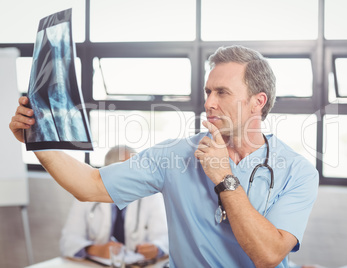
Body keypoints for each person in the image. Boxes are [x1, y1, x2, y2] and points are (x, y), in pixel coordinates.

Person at [10, 45, 319, 267]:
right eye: (207, 91)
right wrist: (37, 140)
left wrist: (224, 177)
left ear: (257, 102)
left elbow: (268, 255)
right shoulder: (177, 154)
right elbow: (88, 184)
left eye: (222, 92)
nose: (209, 102)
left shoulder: (297, 171)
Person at [59, 145, 169, 261]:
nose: (136, 178)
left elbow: (164, 238)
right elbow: (68, 240)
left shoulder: (151, 196)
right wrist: (95, 249)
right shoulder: (86, 195)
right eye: (129, 173)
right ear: (109, 173)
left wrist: (156, 249)